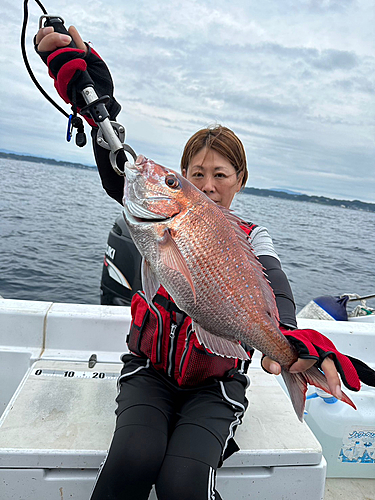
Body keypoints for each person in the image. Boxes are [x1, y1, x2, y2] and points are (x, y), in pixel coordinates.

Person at [35, 26, 373, 500]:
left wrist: (293, 344)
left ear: (241, 180)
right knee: (133, 459)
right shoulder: (160, 217)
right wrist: (85, 81)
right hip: (148, 372)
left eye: (221, 174)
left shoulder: (252, 238)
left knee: (183, 482)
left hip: (217, 387)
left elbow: (274, 288)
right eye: (193, 175)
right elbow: (119, 162)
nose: (208, 184)